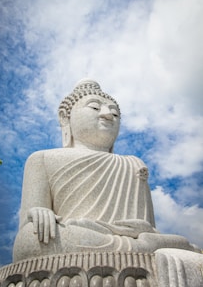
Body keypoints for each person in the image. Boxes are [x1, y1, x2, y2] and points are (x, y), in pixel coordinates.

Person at [13, 79, 197, 262]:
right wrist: (39, 212)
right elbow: (27, 228)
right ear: (64, 116)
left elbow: (149, 228)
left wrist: (145, 230)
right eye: (94, 107)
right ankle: (141, 250)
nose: (108, 115)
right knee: (30, 239)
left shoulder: (132, 163)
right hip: (78, 233)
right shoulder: (42, 159)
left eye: (115, 114)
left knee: (180, 243)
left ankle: (142, 249)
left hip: (124, 239)